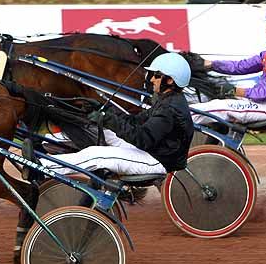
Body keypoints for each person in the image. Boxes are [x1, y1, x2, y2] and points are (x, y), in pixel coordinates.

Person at [41, 53, 194, 176]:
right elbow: (135, 121)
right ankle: (51, 144)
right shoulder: (167, 100)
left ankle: (42, 166)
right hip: (154, 150)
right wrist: (105, 110)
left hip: (158, 160)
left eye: (157, 75)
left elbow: (142, 139)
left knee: (97, 155)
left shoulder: (170, 108)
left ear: (170, 80)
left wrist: (108, 119)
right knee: (105, 133)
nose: (152, 79)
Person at [191, 2, 266, 125]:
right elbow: (242, 66)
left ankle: (170, 123)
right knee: (207, 102)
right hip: (264, 101)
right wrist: (211, 64)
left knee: (213, 108)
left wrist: (236, 91)